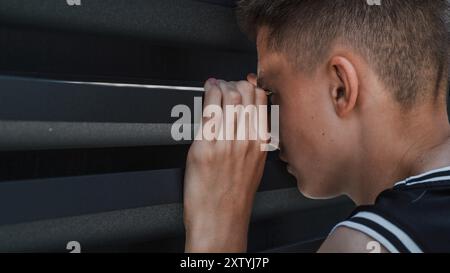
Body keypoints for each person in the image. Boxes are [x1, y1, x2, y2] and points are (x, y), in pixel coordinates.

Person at [183, 0, 450, 253]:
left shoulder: (363, 243)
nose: (267, 122)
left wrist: (218, 232)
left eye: (271, 92)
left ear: (341, 89)